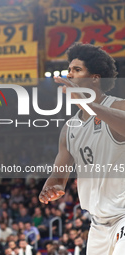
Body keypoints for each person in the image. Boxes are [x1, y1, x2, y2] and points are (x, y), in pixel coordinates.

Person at [39, 42, 125, 254]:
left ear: (95, 78)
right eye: (69, 70)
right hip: (97, 225)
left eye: (77, 70)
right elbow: (58, 177)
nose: (70, 75)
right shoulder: (70, 128)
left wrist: (89, 105)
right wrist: (52, 187)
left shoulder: (118, 106)